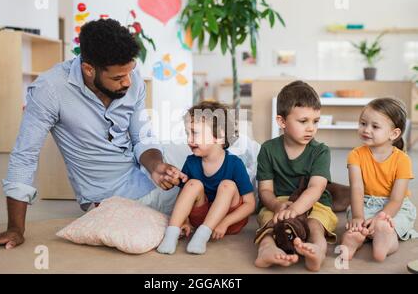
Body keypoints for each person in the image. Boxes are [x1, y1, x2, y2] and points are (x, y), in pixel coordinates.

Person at [0, 19, 186, 253]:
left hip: (148, 172)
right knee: (209, 191)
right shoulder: (50, 89)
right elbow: (25, 156)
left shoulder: (128, 76)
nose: (128, 82)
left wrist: (155, 166)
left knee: (216, 159)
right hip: (116, 195)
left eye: (130, 72)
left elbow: (141, 136)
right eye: (117, 78)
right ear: (89, 69)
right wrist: (15, 228)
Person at [254, 81, 338, 272]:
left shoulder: (321, 151)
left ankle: (317, 250)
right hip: (280, 200)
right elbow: (265, 190)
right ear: (282, 122)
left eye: (315, 121)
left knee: (315, 224)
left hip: (315, 201)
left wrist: (297, 209)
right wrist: (276, 205)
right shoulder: (268, 149)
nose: (311, 128)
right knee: (269, 220)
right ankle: (266, 249)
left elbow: (316, 188)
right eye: (303, 121)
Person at [157, 101, 256, 255]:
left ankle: (202, 235)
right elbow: (183, 197)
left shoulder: (235, 163)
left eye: (194, 133)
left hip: (229, 221)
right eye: (187, 133)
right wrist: (185, 221)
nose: (189, 140)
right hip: (201, 218)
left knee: (228, 185)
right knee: (193, 184)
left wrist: (225, 222)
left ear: (219, 135)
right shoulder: (191, 162)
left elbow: (250, 204)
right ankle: (172, 234)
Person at [341, 98, 417, 262]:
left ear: (394, 133)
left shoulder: (403, 160)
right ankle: (354, 239)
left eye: (375, 126)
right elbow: (357, 189)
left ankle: (386, 240)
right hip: (366, 203)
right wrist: (358, 217)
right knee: (357, 225)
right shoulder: (355, 155)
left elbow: (397, 199)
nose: (366, 130)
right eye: (363, 123)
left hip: (395, 207)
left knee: (389, 225)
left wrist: (382, 217)